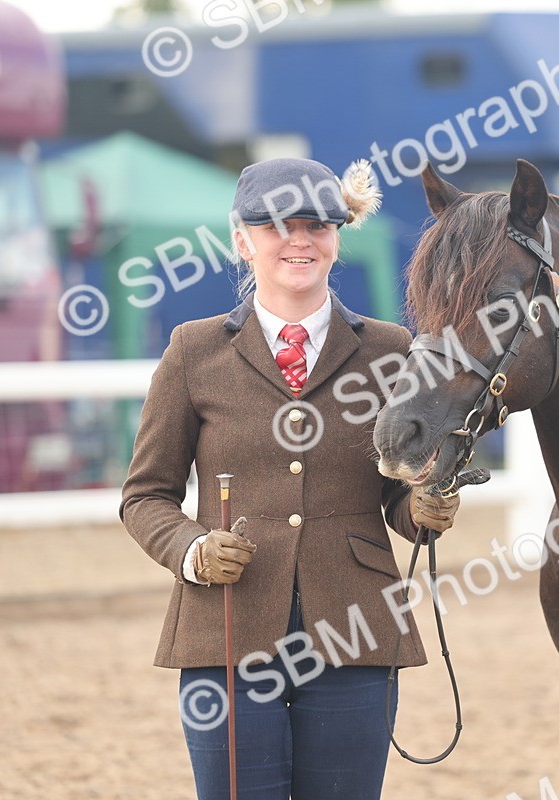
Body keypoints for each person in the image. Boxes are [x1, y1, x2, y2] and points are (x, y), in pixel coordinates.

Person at [119, 156, 461, 800]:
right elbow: (145, 496)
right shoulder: (193, 351)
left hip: (356, 626)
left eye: (317, 225)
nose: (300, 240)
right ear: (242, 241)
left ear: (337, 238)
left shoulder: (390, 350)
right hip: (225, 627)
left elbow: (396, 493)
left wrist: (421, 508)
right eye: (278, 226)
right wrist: (192, 550)